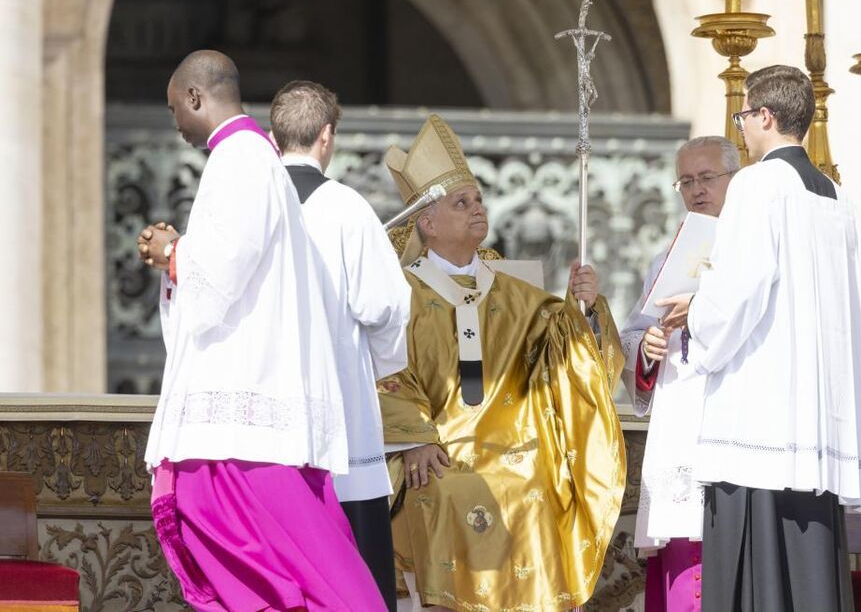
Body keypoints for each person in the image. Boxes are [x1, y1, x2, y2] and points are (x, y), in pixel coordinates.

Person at [136, 50, 385, 611]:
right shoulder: (252, 157)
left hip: (238, 427)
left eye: (175, 106)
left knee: (283, 570)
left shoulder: (241, 158)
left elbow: (223, 272)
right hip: (247, 420)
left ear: (197, 97)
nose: (174, 121)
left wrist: (171, 250)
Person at [378, 113, 626, 612]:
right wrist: (417, 438)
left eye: (480, 200)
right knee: (448, 492)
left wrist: (586, 312)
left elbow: (573, 364)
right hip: (439, 448)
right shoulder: (396, 294)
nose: (479, 209)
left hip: (515, 448)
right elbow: (385, 371)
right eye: (461, 202)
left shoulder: (519, 296)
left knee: (537, 485)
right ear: (426, 223)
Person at [658, 65, 861, 612]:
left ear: (765, 116)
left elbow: (740, 291)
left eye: (744, 116)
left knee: (753, 576)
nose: (743, 129)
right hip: (818, 421)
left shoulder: (757, 185)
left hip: (758, 421)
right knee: (810, 572)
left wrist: (696, 314)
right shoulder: (840, 201)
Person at [270, 79, 411, 612]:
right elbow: (386, 309)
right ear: (327, 136)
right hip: (341, 426)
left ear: (271, 135)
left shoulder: (252, 207)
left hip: (269, 433)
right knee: (353, 579)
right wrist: (369, 363)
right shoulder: (348, 209)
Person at [620, 136, 739, 611]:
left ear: (735, 178)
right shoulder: (662, 261)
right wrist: (647, 350)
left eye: (708, 178)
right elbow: (636, 335)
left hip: (732, 423)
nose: (697, 190)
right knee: (685, 565)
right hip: (682, 426)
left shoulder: (752, 251)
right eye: (686, 181)